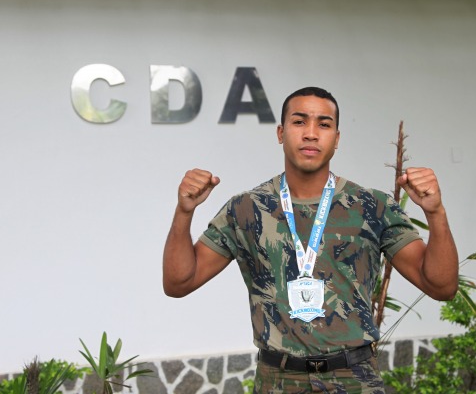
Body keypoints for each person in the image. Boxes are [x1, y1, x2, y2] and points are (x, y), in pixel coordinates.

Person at [163, 87, 458, 393]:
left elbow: (441, 286)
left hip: (355, 379)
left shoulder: (372, 206)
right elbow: (178, 284)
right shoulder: (246, 210)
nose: (311, 134)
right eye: (299, 122)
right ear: (281, 132)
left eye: (324, 124)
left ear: (337, 139)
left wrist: (435, 213)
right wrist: (184, 212)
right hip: (278, 381)